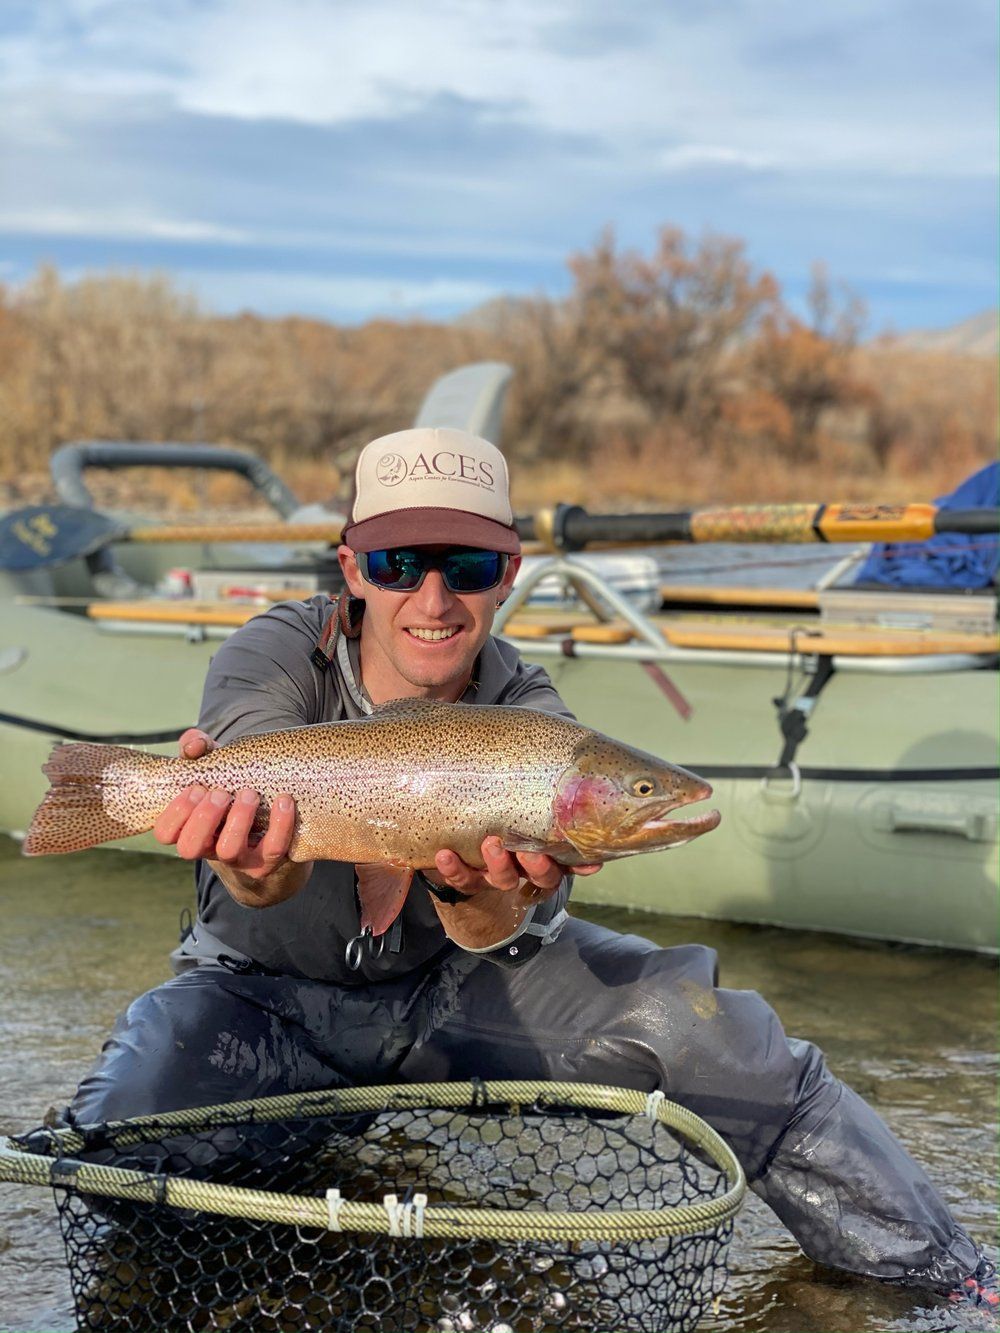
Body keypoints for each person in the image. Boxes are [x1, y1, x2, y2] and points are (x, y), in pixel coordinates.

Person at [67, 426, 995, 1309]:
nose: (434, 601)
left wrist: (476, 889)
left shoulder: (534, 718)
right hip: (256, 998)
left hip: (453, 994)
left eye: (466, 568)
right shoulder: (272, 651)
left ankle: (946, 1282)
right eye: (398, 564)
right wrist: (253, 857)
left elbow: (489, 932)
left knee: (727, 1039)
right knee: (122, 1136)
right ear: (350, 567)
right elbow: (259, 873)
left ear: (508, 574)